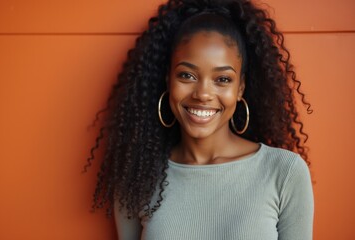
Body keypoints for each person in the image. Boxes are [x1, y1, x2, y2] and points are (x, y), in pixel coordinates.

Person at [86, 0, 314, 239]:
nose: (203, 94)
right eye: (187, 75)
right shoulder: (137, 176)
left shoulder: (284, 172)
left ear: (240, 88)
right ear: (168, 81)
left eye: (223, 79)